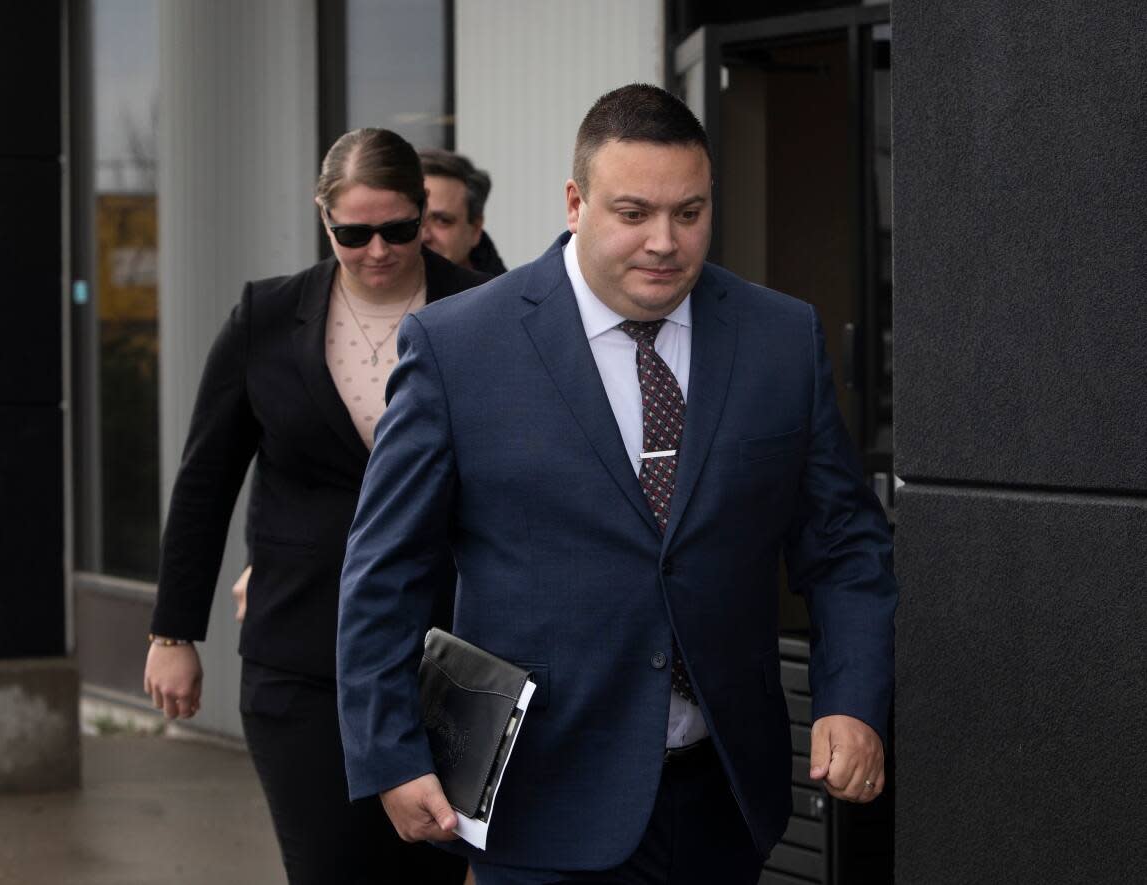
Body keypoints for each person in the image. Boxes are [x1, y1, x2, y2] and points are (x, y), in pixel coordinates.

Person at [336, 85, 897, 884]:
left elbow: (845, 544)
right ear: (576, 202)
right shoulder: (458, 348)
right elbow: (383, 575)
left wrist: (853, 696)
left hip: (725, 800)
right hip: (541, 801)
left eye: (690, 212)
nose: (665, 242)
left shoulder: (780, 338)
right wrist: (389, 751)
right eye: (633, 213)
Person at [143, 128, 481, 885]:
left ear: (425, 214)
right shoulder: (267, 316)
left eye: (398, 229)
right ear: (322, 218)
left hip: (447, 654)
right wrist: (173, 629)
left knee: (423, 872)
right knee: (328, 867)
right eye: (352, 233)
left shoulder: (477, 311)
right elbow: (206, 479)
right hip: (301, 653)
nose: (377, 250)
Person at [419, 147, 508, 276]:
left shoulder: (506, 295)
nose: (423, 236)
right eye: (412, 220)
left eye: (442, 220)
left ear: (475, 229)